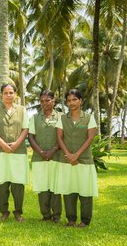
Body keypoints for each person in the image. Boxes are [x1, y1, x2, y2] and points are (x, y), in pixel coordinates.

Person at [55, 89, 98, 227]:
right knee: (68, 189)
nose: (71, 103)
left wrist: (77, 155)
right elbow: (59, 138)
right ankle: (71, 219)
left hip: (84, 160)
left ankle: (85, 220)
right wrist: (69, 155)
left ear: (81, 101)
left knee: (85, 190)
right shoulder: (62, 119)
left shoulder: (88, 118)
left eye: (74, 99)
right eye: (69, 100)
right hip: (66, 160)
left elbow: (90, 137)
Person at [0, 84, 29, 222]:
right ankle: (4, 212)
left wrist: (17, 143)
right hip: (0, 151)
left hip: (18, 152)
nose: (8, 95)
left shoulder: (22, 110)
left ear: (15, 94)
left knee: (18, 183)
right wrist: (3, 145)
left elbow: (25, 129)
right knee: (2, 182)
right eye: (5, 93)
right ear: (1, 94)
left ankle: (18, 212)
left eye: (11, 92)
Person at [28, 90, 62, 223]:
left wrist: (53, 151)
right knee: (42, 186)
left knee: (55, 186)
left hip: (56, 156)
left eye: (47, 100)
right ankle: (46, 215)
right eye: (41, 101)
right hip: (39, 158)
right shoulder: (35, 118)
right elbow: (31, 136)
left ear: (54, 101)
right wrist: (41, 152)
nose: (44, 103)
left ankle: (57, 216)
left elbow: (62, 136)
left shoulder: (61, 117)